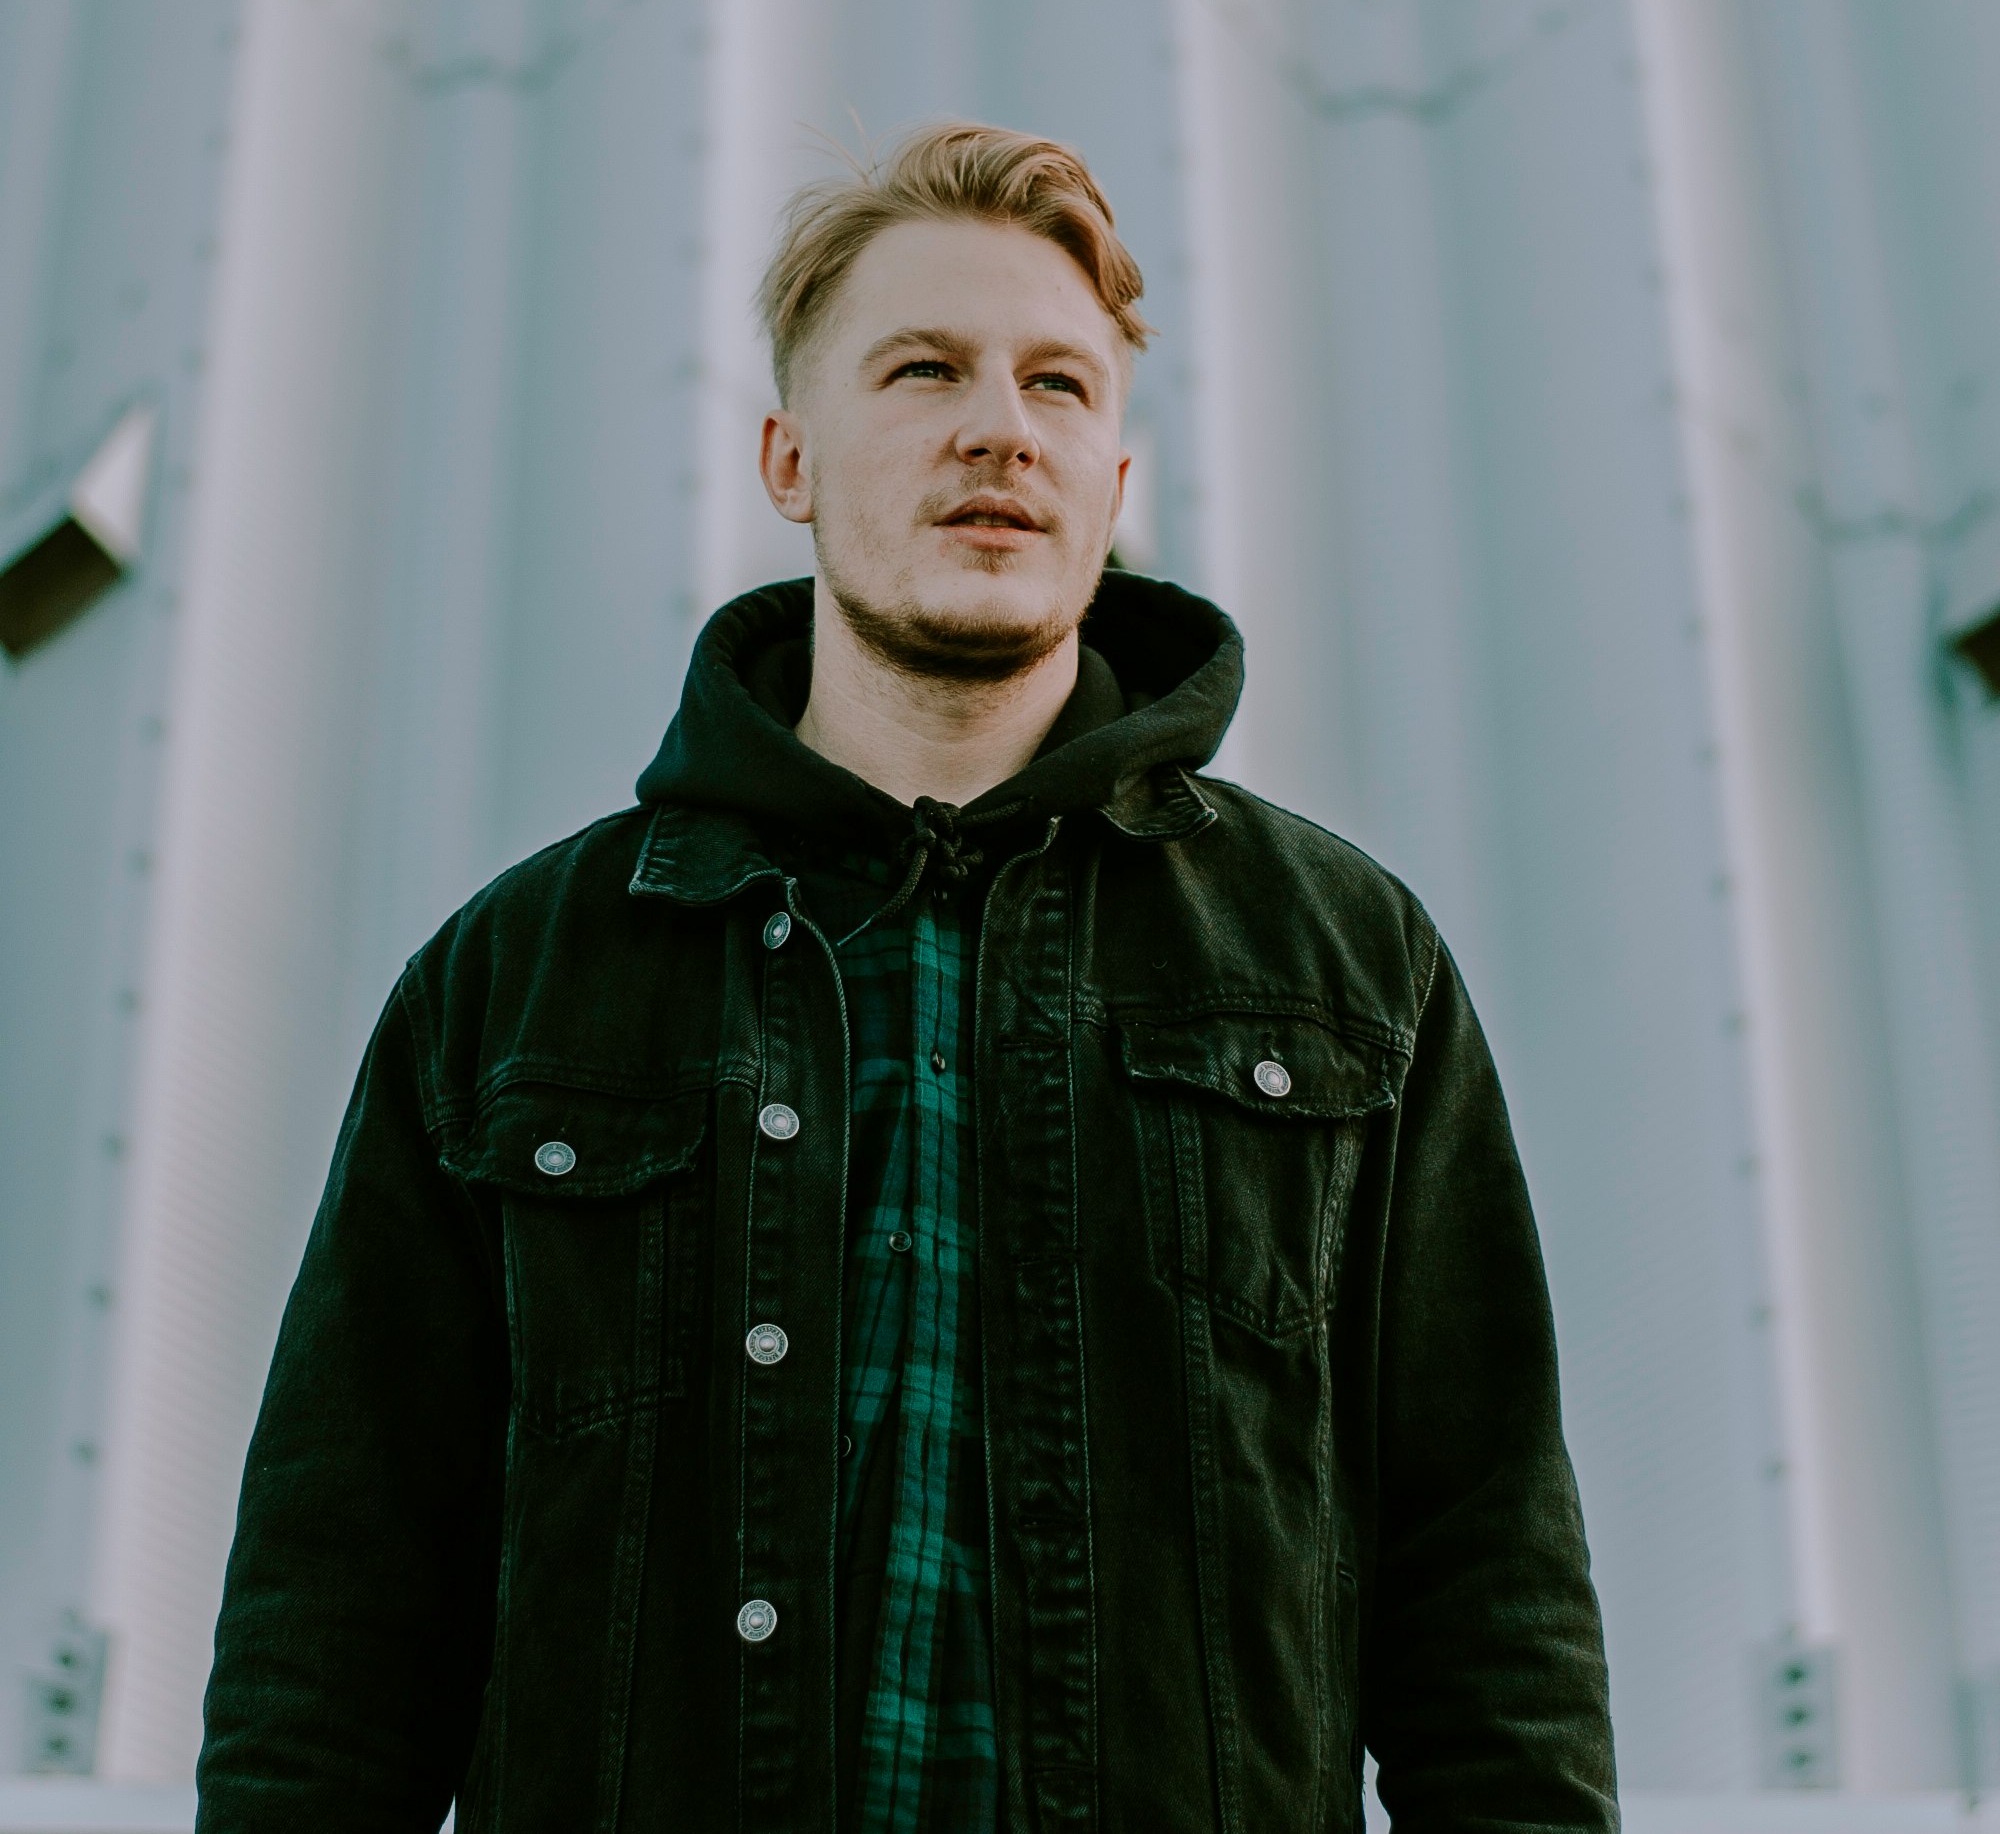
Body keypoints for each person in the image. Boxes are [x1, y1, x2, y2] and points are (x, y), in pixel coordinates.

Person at [197, 122, 1617, 1832]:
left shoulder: (1342, 968)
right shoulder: (516, 985)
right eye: (924, 369)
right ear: (791, 456)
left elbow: (1491, 1609)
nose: (999, 428)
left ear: (1113, 476)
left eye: (1061, 388)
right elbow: (334, 1637)